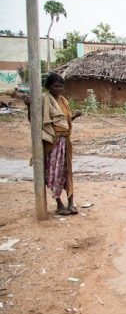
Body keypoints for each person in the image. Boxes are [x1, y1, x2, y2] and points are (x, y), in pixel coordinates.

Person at [27, 73, 82, 215]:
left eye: (61, 86)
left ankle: (71, 203)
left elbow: (64, 122)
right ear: (48, 86)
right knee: (54, 172)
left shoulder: (64, 101)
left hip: (65, 142)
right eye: (55, 86)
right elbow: (34, 120)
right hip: (53, 142)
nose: (58, 89)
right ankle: (59, 204)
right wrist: (29, 107)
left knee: (67, 172)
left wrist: (74, 116)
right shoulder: (44, 100)